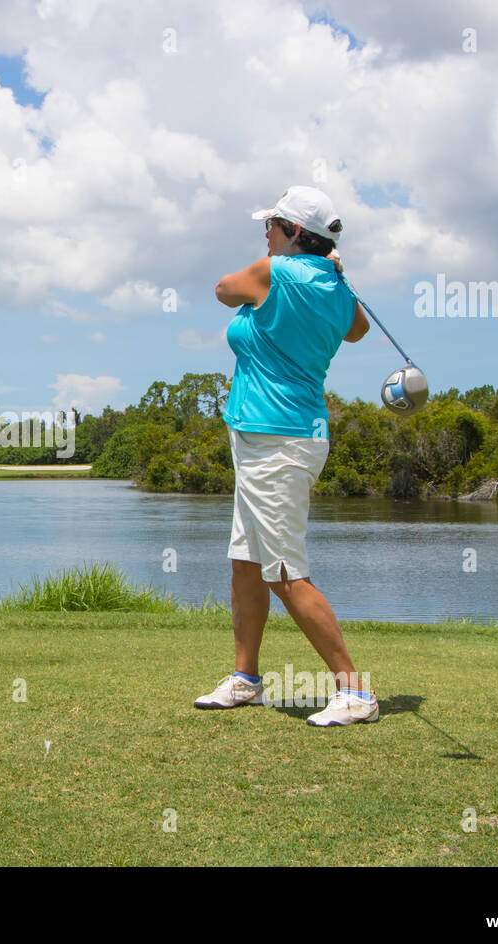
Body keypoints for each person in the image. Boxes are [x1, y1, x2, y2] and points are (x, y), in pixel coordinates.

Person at [193, 185, 378, 727]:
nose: (265, 235)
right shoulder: (336, 288)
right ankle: (246, 678)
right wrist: (336, 275)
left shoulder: (273, 271)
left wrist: (283, 265)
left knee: (281, 570)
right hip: (267, 437)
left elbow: (223, 290)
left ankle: (354, 692)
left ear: (295, 232)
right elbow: (358, 330)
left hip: (280, 440)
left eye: (271, 226)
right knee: (247, 563)